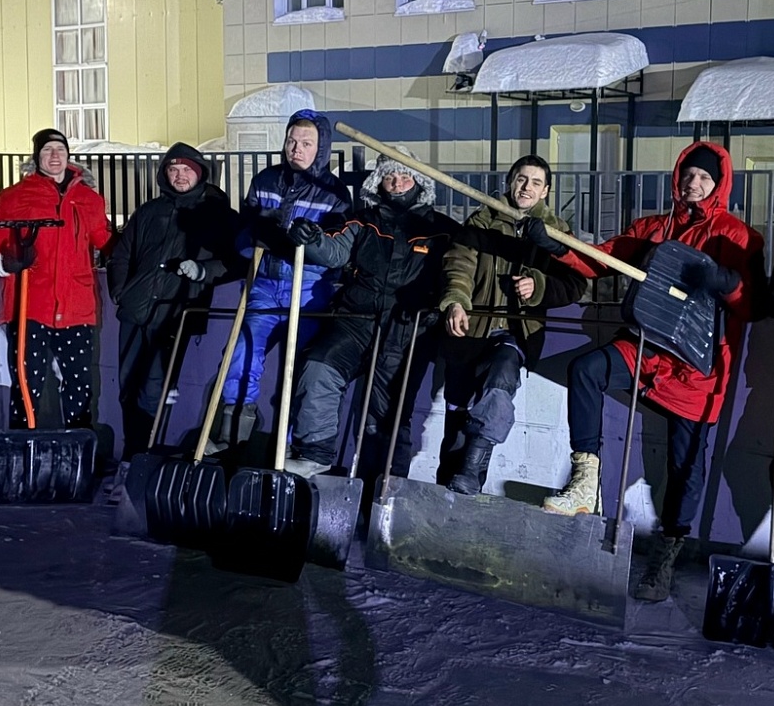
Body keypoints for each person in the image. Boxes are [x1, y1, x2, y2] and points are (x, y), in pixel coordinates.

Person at [524, 142, 765, 602]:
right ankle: (585, 481)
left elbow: (754, 305)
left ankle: (666, 554)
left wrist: (728, 283)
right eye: (688, 175)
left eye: (704, 178)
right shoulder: (654, 229)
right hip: (645, 348)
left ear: (720, 185)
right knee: (588, 369)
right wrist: (557, 245)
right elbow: (601, 259)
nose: (694, 184)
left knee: (685, 466)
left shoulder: (738, 238)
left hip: (698, 368)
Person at [281, 148, 459, 490]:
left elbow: (462, 270)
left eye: (405, 176)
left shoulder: (441, 230)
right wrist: (311, 238)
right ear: (378, 182)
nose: (397, 183)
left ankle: (387, 487)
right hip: (356, 320)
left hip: (408, 328)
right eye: (389, 177)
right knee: (318, 367)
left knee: (387, 413)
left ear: (419, 182)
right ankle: (314, 454)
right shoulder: (363, 221)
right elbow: (333, 251)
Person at [437, 155, 587, 495]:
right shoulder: (482, 220)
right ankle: (447, 491)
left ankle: (470, 475)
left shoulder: (557, 232)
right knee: (457, 415)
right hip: (471, 329)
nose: (526, 188)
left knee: (502, 379)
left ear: (546, 191)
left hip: (516, 332)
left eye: (536, 182)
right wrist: (456, 301)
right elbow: (459, 264)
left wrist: (539, 286)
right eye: (521, 179)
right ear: (509, 182)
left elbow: (576, 282)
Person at [206, 110, 350, 455]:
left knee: (298, 369)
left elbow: (337, 252)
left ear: (321, 148)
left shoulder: (334, 193)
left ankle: (288, 446)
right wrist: (259, 231)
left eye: (306, 143)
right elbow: (242, 239)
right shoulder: (266, 181)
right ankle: (233, 433)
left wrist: (310, 240)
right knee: (241, 353)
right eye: (291, 141)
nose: (296, 149)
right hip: (266, 285)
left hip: (308, 289)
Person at [107, 143, 239, 463]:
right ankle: (133, 456)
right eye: (173, 170)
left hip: (176, 313)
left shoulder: (218, 215)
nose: (180, 176)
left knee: (153, 389)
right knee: (128, 387)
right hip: (136, 310)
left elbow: (238, 261)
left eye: (186, 170)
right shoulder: (149, 211)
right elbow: (121, 255)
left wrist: (204, 270)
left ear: (200, 173)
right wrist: (121, 292)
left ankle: (142, 457)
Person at [0, 128, 113, 430]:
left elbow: (105, 240)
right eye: (47, 150)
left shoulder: (88, 199)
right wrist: (4, 262)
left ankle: (78, 445)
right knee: (27, 384)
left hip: (77, 306)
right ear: (36, 157)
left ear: (68, 155)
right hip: (29, 306)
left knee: (80, 383)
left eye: (60, 150)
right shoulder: (12, 198)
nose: (55, 156)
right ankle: (24, 443)